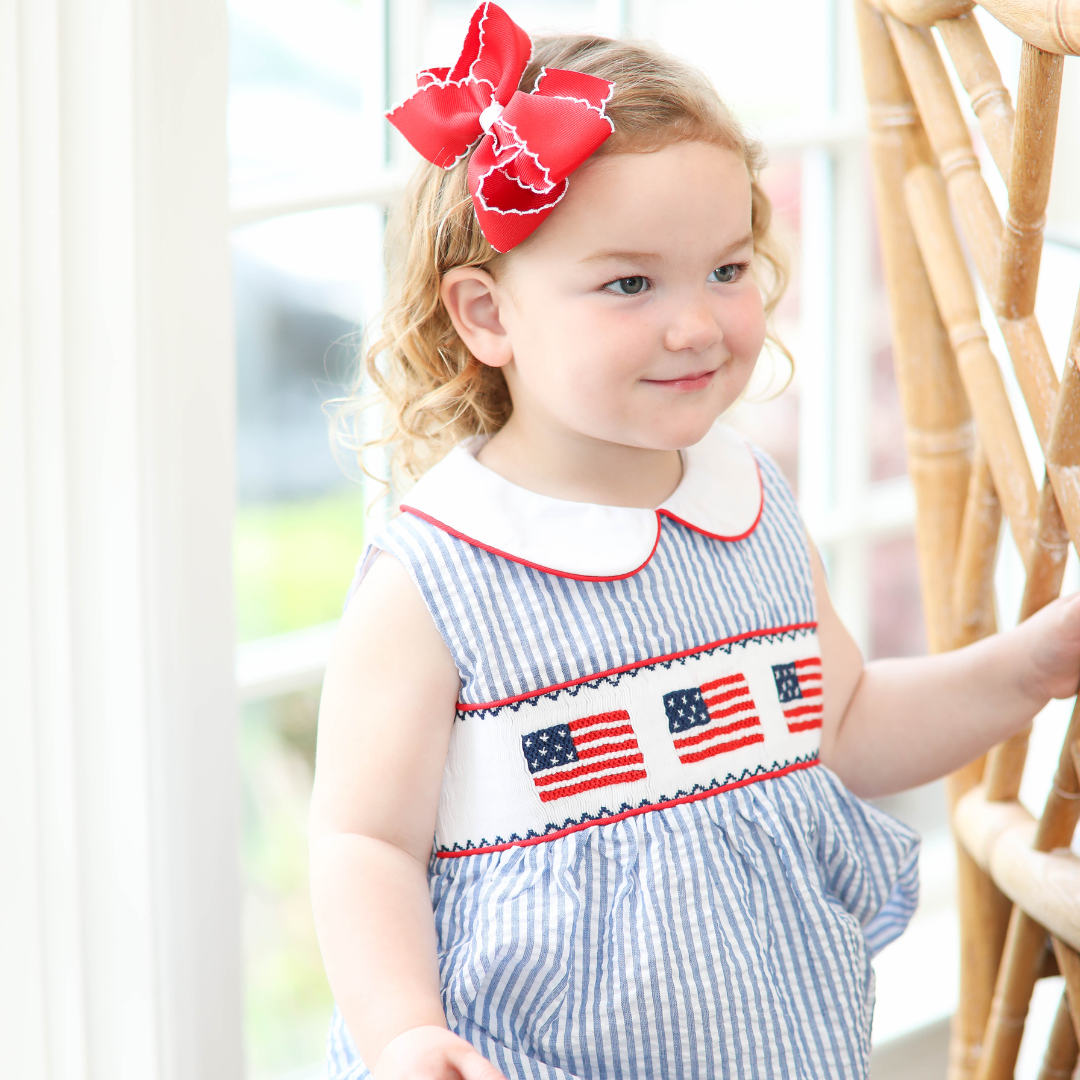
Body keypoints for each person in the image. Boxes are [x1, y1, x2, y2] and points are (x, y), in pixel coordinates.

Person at [309, 5, 1080, 1078]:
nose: (697, 324)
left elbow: (845, 724)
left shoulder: (748, 499)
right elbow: (364, 842)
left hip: (770, 1041)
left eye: (726, 269)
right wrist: (404, 1034)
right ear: (487, 315)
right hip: (531, 1055)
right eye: (630, 284)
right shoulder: (440, 572)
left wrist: (1032, 667)